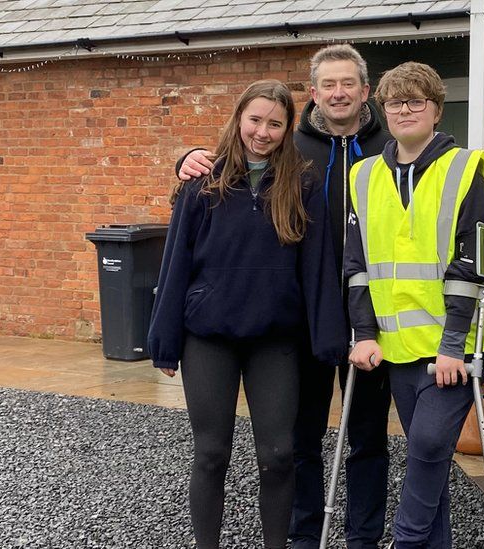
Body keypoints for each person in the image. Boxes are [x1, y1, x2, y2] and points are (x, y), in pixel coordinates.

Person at [176, 45, 392, 549]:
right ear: (312, 94)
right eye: (328, 85)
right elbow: (232, 165)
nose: (339, 93)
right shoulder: (291, 148)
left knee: (368, 437)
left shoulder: (392, 144)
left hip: (374, 313)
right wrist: (185, 158)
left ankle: (363, 538)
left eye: (348, 84)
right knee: (298, 440)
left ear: (365, 90)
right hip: (301, 316)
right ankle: (302, 536)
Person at [149, 79, 347, 549]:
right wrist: (164, 338)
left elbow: (317, 269)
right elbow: (175, 261)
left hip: (274, 340)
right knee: (212, 452)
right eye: (255, 120)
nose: (263, 132)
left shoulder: (301, 184)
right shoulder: (202, 182)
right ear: (239, 118)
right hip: (209, 337)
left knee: (279, 455)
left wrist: (328, 339)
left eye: (275, 124)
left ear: (287, 128)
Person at [345, 61, 484, 549]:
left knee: (430, 444)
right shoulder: (363, 175)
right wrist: (364, 332)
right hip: (395, 345)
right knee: (426, 461)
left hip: (455, 345)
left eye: (416, 101)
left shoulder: (468, 168)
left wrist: (453, 343)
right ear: (383, 110)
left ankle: (405, 542)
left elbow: (472, 263)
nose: (404, 110)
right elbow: (357, 264)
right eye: (394, 102)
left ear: (436, 109)